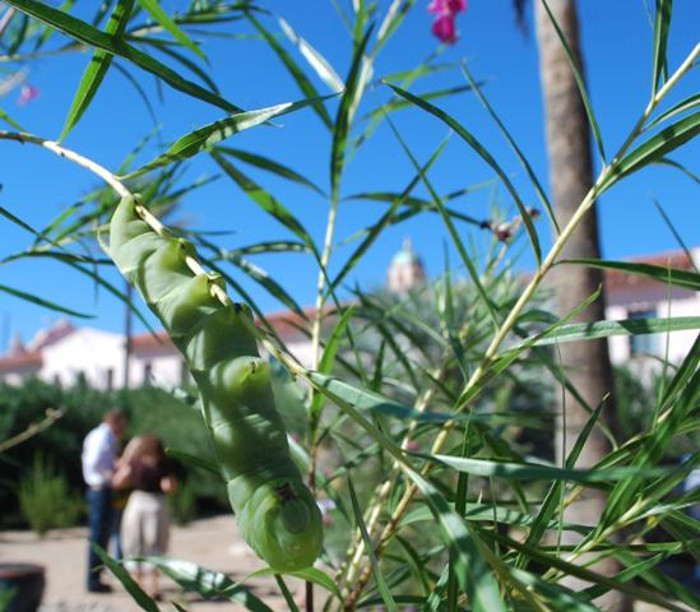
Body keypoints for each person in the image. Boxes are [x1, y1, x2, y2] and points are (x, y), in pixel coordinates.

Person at [112, 435, 176, 599]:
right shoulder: (163, 465)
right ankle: (153, 587)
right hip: (156, 504)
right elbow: (169, 487)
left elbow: (118, 481)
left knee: (135, 543)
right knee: (154, 544)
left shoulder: (135, 463)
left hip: (138, 503)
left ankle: (138, 586)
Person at [81, 409, 127, 593]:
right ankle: (93, 581)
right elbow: (94, 462)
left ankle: (96, 578)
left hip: (101, 489)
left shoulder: (101, 435)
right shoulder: (103, 437)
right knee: (99, 537)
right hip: (101, 490)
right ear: (115, 421)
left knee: (103, 536)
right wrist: (111, 476)